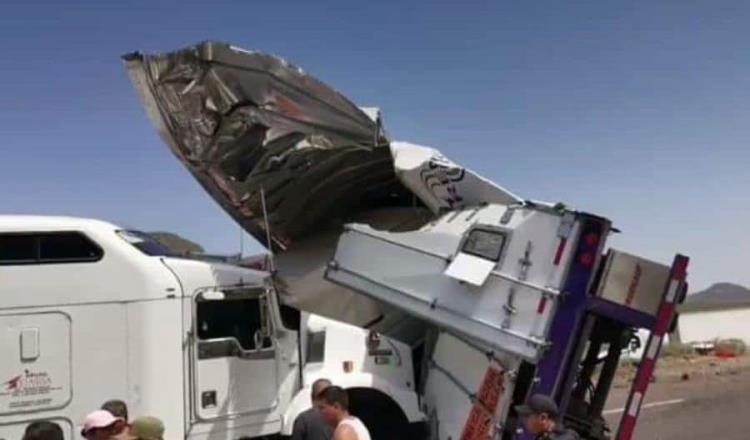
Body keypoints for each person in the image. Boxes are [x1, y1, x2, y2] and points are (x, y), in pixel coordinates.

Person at [515, 394, 579, 440]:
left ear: (542, 418)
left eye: (527, 416)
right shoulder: (545, 435)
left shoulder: (565, 437)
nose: (524, 420)